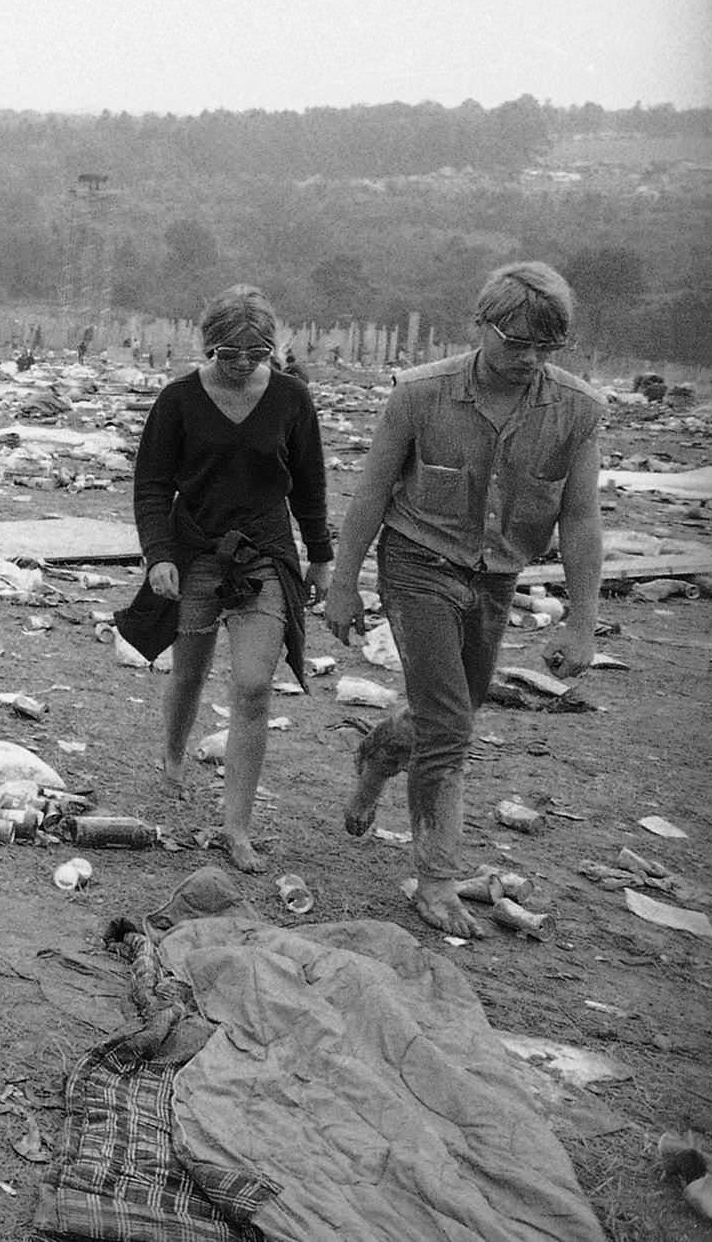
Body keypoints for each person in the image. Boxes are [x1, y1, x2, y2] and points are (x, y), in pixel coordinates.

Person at [323, 262, 602, 939]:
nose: (528, 361)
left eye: (545, 349)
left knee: (446, 712)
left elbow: (582, 519)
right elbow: (370, 493)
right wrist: (343, 581)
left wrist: (583, 622)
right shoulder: (420, 395)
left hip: (497, 576)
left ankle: (376, 760)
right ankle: (437, 876)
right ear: (480, 326)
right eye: (515, 344)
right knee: (452, 726)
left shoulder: (577, 411)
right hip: (418, 564)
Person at [133, 285, 333, 874]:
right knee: (190, 668)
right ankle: (173, 754)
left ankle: (236, 827)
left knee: (252, 686)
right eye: (230, 353)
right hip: (195, 547)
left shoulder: (293, 399)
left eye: (258, 353)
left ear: (274, 348)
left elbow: (310, 484)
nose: (244, 364)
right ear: (208, 346)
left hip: (265, 552)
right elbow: (150, 486)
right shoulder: (178, 401)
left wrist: (320, 556)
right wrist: (158, 555)